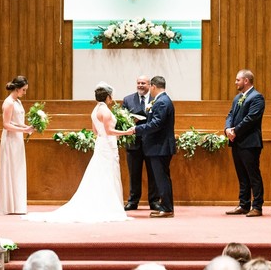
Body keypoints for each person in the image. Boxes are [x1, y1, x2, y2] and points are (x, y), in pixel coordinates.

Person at [25, 82, 134, 222]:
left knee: (100, 174)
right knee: (108, 174)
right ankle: (108, 206)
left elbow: (96, 131)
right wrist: (127, 131)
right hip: (108, 145)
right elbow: (109, 131)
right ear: (108, 97)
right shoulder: (105, 111)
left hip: (102, 144)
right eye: (111, 96)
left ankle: (103, 204)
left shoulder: (95, 110)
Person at [131, 76, 176, 218]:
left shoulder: (162, 102)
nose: (149, 90)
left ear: (154, 87)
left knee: (162, 178)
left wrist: (136, 129)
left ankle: (167, 208)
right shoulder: (162, 100)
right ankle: (165, 206)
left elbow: (156, 124)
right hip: (158, 146)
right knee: (162, 178)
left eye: (150, 87)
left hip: (160, 146)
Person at [224, 70, 265, 217]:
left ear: (246, 81)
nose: (235, 82)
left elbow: (251, 118)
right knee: (242, 175)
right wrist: (228, 128)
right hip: (237, 142)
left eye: (238, 80)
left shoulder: (257, 97)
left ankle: (257, 206)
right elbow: (230, 115)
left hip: (250, 142)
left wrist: (235, 130)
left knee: (253, 175)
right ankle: (243, 204)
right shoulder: (237, 98)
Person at [0, 76, 34, 215]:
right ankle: (8, 205)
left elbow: (16, 121)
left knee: (17, 169)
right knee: (10, 168)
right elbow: (6, 124)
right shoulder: (9, 102)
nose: (25, 92)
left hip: (17, 138)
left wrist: (27, 127)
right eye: (23, 90)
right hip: (10, 139)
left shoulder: (18, 101)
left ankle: (17, 205)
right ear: (17, 89)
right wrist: (23, 130)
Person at [122, 75, 159, 211]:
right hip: (134, 143)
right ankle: (133, 201)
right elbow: (122, 121)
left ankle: (154, 201)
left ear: (149, 85)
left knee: (153, 174)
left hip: (151, 142)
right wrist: (131, 121)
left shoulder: (156, 99)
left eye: (143, 83)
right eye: (138, 83)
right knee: (134, 174)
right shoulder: (128, 99)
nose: (140, 85)